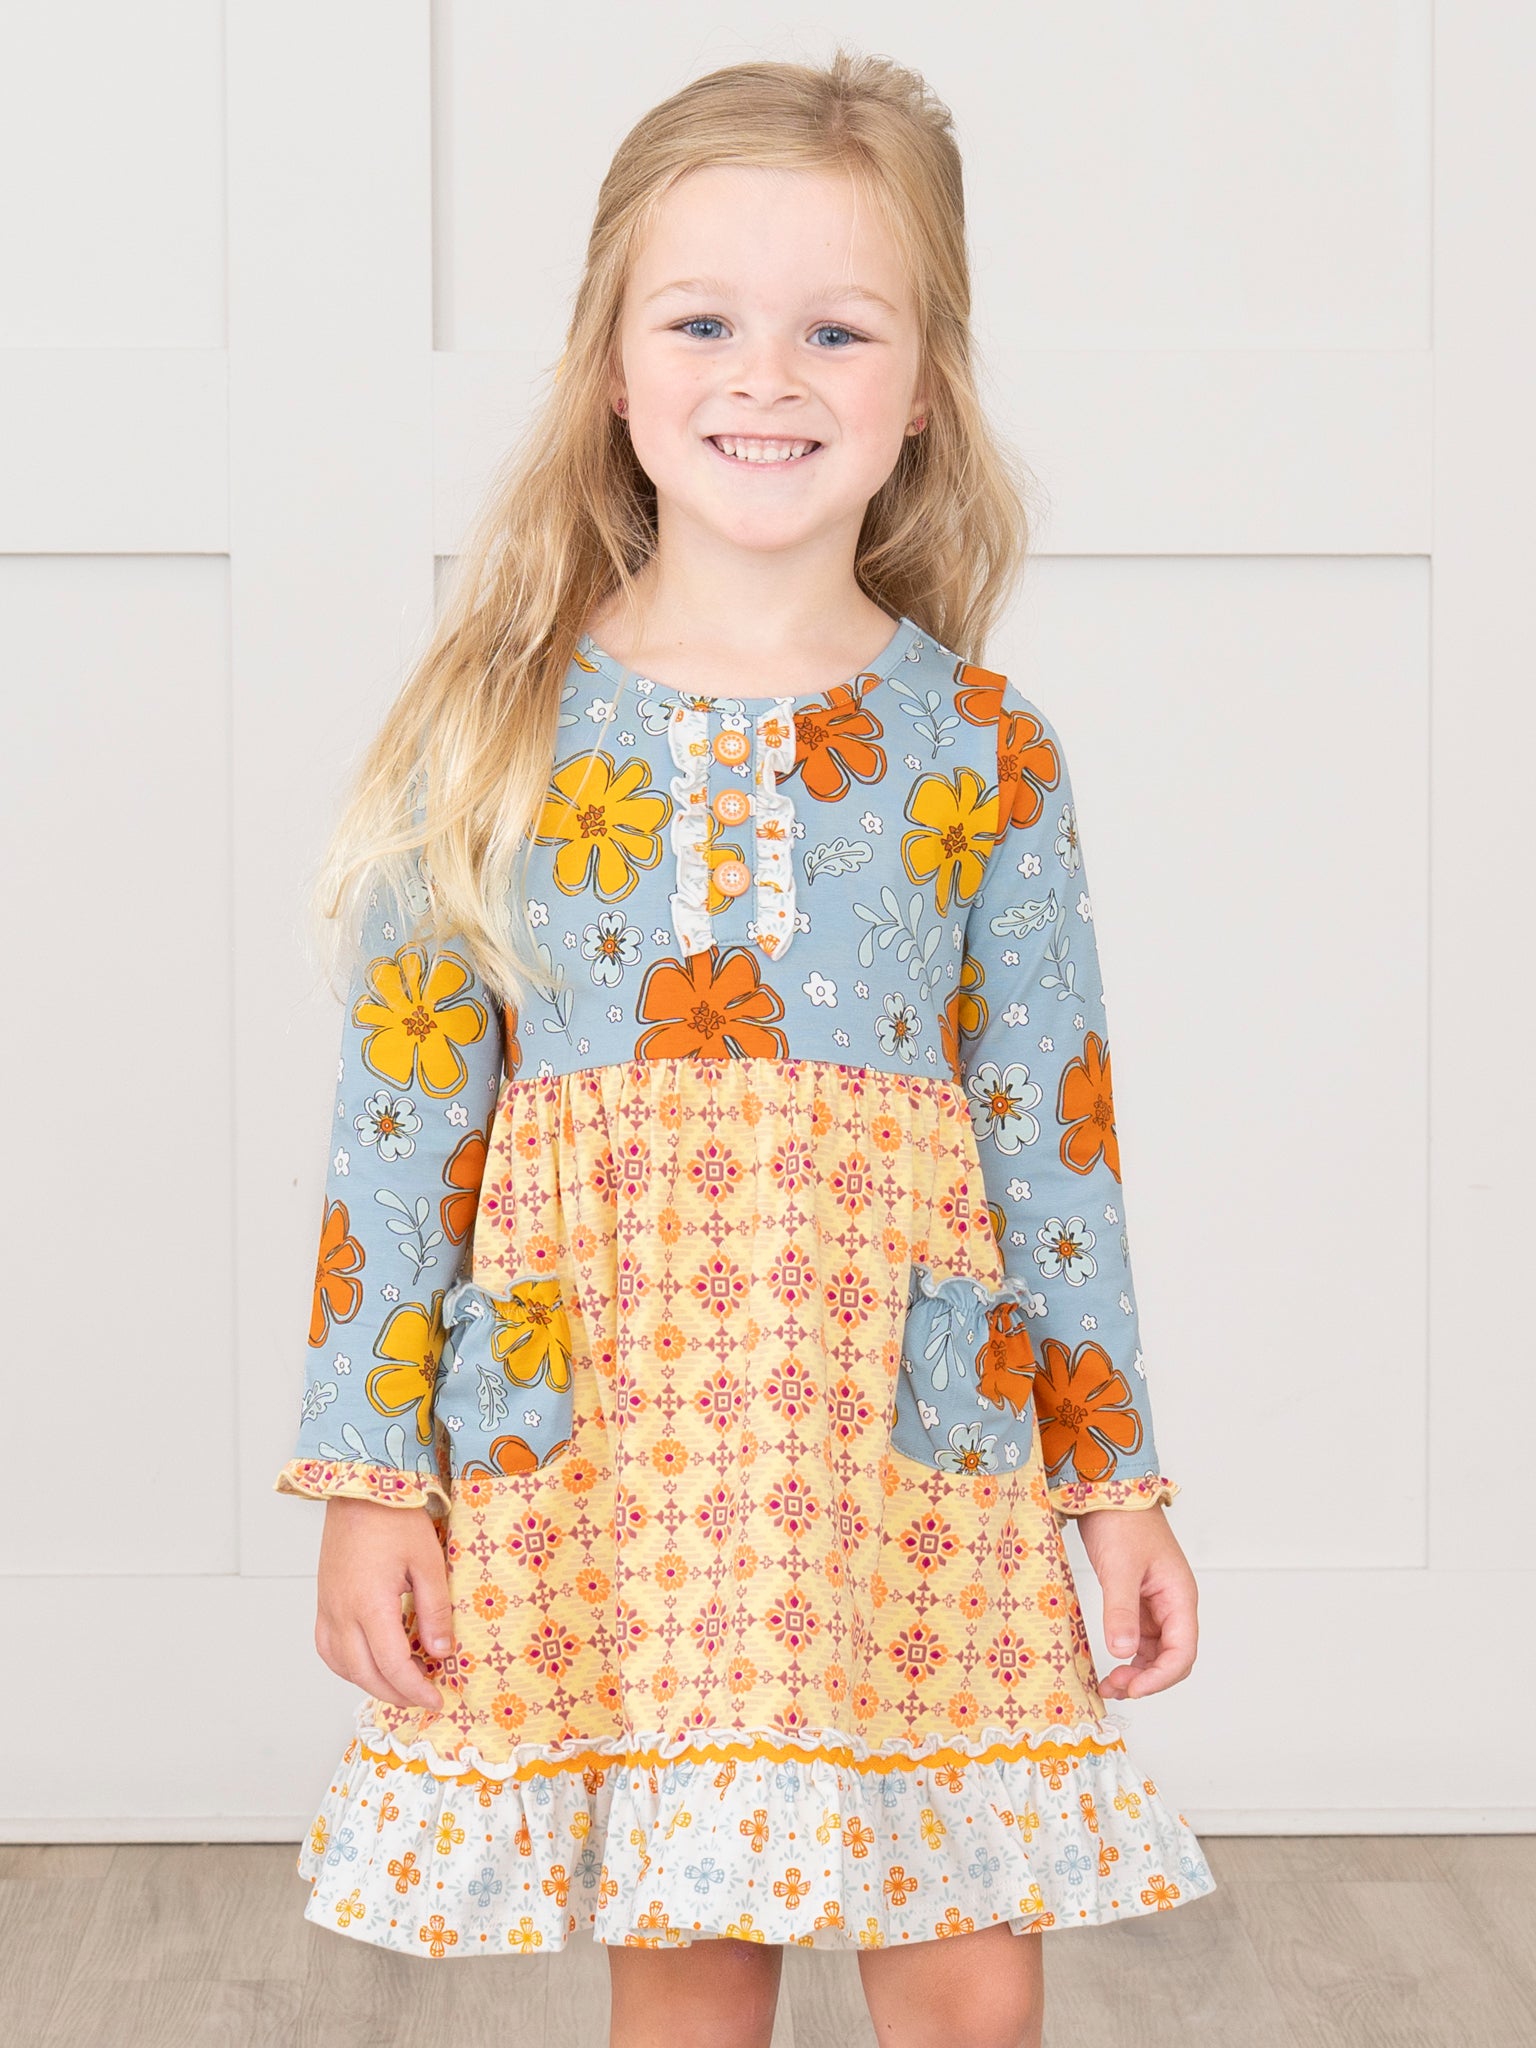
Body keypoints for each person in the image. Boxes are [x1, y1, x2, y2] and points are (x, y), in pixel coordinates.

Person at [274, 44, 1216, 2046]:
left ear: (922, 387)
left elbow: (1055, 1143)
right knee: (693, 1998)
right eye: (702, 323)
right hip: (622, 1462)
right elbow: (399, 1131)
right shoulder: (494, 728)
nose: (764, 378)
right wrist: (374, 1476)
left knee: (971, 1996)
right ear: (613, 371)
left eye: (834, 330)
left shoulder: (984, 747)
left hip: (907, 1460)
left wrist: (1115, 1484)